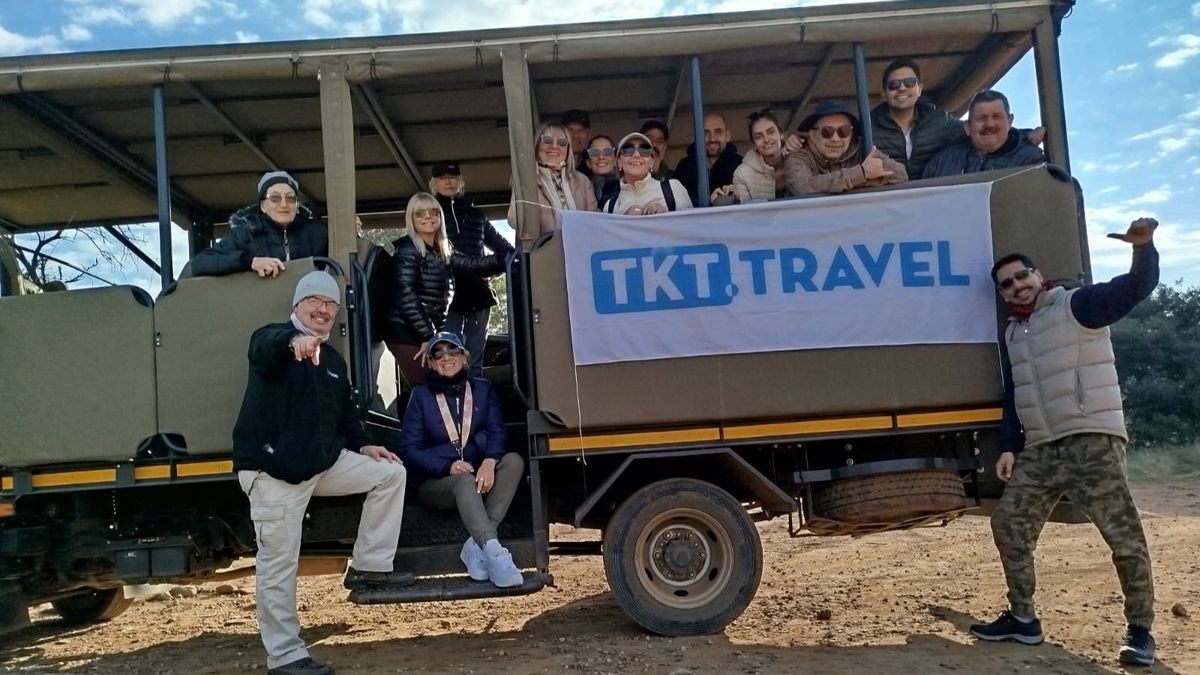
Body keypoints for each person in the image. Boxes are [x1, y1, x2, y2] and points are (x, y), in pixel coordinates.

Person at [970, 217, 1161, 668]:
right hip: (1041, 448)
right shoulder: (1015, 333)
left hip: (1091, 441)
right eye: (1006, 285)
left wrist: (1143, 249)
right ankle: (1023, 619)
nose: (1017, 286)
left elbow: (1135, 288)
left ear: (1039, 276)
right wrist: (1011, 446)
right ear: (1001, 295)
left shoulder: (1078, 305)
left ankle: (1140, 632)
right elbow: (1015, 394)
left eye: (1022, 276)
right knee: (1009, 524)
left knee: (1123, 536)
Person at [233, 270, 411, 675]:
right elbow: (264, 347)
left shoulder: (333, 360)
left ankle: (369, 568)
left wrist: (365, 443)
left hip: (321, 465)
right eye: (316, 301)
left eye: (331, 305)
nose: (324, 310)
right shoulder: (275, 340)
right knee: (278, 566)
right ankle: (285, 657)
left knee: (389, 474)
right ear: (298, 306)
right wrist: (293, 342)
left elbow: (346, 414)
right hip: (274, 473)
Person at [399, 331, 527, 588]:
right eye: (438, 353)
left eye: (453, 351)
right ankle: (494, 551)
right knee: (463, 481)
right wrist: (447, 466)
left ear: (464, 356)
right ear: (431, 363)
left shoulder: (482, 389)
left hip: (478, 474)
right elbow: (409, 449)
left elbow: (497, 430)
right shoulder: (421, 396)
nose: (446, 357)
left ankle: (475, 544)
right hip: (437, 483)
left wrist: (490, 461)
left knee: (513, 462)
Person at [430, 162, 514, 379]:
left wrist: (490, 269)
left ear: (460, 182)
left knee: (474, 362)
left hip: (478, 296)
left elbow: (507, 250)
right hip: (445, 299)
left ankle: (475, 409)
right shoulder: (430, 215)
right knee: (447, 358)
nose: (448, 181)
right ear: (434, 183)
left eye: (453, 177)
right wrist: (484, 265)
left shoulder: (476, 215)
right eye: (442, 177)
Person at [191, 171, 328, 278]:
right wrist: (249, 261)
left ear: (297, 206)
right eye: (275, 198)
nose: (284, 204)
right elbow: (200, 264)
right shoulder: (245, 233)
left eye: (291, 198)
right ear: (262, 206)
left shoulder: (319, 232)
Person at [784, 99, 907, 196]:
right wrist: (862, 174)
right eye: (827, 132)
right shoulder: (798, 155)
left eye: (844, 131)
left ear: (852, 134)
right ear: (812, 135)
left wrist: (834, 185)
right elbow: (803, 187)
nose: (835, 138)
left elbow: (900, 175)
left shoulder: (863, 149)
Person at [922, 90, 1046, 178]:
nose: (989, 124)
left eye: (997, 117)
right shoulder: (941, 162)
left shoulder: (1032, 160)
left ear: (1010, 121)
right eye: (981, 118)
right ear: (968, 127)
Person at [506, 122, 597, 235]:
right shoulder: (527, 180)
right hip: (544, 250)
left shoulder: (582, 181)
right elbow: (516, 221)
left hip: (579, 249)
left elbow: (595, 222)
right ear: (537, 144)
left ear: (568, 149)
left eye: (562, 142)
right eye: (547, 140)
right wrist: (525, 181)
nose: (554, 146)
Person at [601, 132, 693, 215]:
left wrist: (665, 215)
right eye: (628, 149)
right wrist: (625, 219)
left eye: (645, 150)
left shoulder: (673, 189)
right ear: (619, 162)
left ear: (652, 162)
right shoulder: (610, 207)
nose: (636, 155)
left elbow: (691, 229)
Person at [673, 112, 743, 206]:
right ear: (697, 136)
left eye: (718, 132)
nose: (712, 139)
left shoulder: (740, 165)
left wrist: (738, 194)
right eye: (705, 132)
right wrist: (706, 201)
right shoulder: (684, 168)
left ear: (728, 135)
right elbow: (676, 202)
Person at [729, 109, 787, 203]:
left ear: (781, 134)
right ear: (754, 145)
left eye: (771, 132)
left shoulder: (799, 158)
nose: (766, 139)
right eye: (758, 137)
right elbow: (745, 215)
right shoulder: (742, 175)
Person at [584, 135, 621, 205]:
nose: (601, 157)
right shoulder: (581, 190)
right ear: (588, 162)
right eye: (594, 152)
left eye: (607, 152)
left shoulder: (625, 190)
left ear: (616, 160)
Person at [561, 109, 593, 176]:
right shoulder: (552, 161)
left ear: (588, 134)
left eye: (580, 130)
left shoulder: (594, 162)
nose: (575, 135)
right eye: (570, 129)